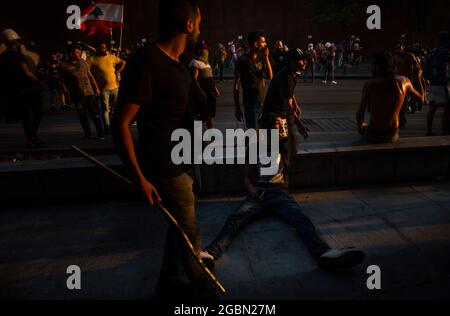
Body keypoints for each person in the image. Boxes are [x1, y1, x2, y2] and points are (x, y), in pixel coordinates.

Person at [113, 0, 218, 300]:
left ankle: (169, 282)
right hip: (164, 166)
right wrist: (138, 178)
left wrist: (204, 94)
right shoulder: (146, 61)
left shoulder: (181, 64)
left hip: (183, 159)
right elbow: (121, 123)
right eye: (199, 24)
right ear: (188, 25)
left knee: (179, 228)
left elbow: (186, 107)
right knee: (189, 232)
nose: (200, 29)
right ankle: (205, 291)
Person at [201, 112, 365, 271]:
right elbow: (246, 177)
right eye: (277, 125)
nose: (281, 128)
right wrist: (252, 190)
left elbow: (293, 146)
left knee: (301, 219)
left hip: (279, 193)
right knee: (235, 219)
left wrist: (291, 123)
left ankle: (324, 253)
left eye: (283, 125)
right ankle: (210, 253)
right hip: (259, 193)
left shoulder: (284, 146)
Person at [357, 50, 425, 143]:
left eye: (372, 65)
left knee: (363, 133)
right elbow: (421, 99)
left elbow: (360, 112)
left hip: (375, 133)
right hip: (392, 133)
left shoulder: (370, 84)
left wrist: (360, 126)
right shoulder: (404, 81)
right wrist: (418, 78)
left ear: (377, 67)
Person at [0, 29, 45, 148]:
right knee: (38, 112)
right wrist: (39, 82)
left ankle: (29, 139)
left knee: (25, 115)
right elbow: (26, 72)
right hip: (27, 88)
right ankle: (32, 136)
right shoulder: (17, 55)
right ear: (14, 42)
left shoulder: (2, 56)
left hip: (14, 90)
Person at [61, 45, 104, 140]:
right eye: (76, 52)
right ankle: (88, 134)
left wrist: (96, 88)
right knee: (82, 115)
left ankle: (100, 134)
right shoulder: (65, 66)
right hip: (77, 95)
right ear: (70, 54)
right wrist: (66, 95)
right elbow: (62, 82)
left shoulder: (84, 62)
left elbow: (90, 76)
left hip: (89, 93)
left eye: (79, 52)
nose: (79, 54)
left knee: (95, 114)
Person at [234, 31, 273, 129]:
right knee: (252, 132)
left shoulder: (261, 57)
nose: (265, 44)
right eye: (263, 42)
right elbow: (236, 86)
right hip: (249, 103)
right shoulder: (242, 61)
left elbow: (270, 76)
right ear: (256, 44)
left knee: (262, 132)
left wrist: (266, 59)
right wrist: (237, 108)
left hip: (262, 101)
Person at [88, 42, 126, 134]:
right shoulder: (92, 59)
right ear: (97, 48)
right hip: (103, 89)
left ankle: (114, 124)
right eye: (101, 47)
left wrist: (117, 71)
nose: (104, 49)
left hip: (114, 87)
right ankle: (107, 126)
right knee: (105, 109)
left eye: (105, 48)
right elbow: (87, 71)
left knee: (115, 108)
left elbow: (123, 62)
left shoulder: (111, 57)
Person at [424, 32, 450, 136]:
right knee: (447, 108)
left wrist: (428, 77)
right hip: (442, 83)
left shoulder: (433, 51)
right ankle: (445, 131)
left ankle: (429, 130)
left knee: (432, 107)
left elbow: (425, 64)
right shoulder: (446, 51)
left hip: (433, 83)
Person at [189, 41, 220, 129]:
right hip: (202, 95)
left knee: (209, 116)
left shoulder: (207, 63)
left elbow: (210, 78)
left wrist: (215, 89)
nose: (207, 52)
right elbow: (194, 79)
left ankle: (211, 134)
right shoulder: (194, 62)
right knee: (201, 117)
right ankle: (199, 139)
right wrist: (200, 92)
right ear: (199, 51)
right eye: (205, 50)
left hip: (210, 94)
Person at [393, 40, 424, 127]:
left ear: (403, 48)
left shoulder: (409, 55)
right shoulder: (395, 57)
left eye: (399, 47)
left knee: (408, 97)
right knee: (401, 100)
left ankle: (415, 106)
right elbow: (393, 67)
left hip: (408, 80)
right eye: (396, 48)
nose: (398, 49)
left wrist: (417, 75)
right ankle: (401, 118)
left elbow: (417, 66)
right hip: (398, 80)